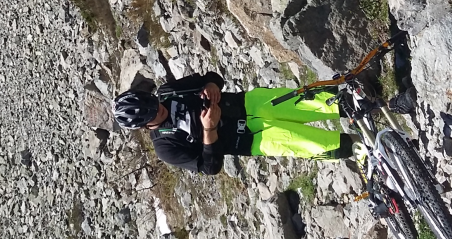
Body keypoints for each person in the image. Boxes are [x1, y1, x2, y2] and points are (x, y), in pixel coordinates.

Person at [113, 71, 368, 175]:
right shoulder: (165, 147)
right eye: (154, 114)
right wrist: (209, 129)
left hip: (251, 103)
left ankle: (368, 102)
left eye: (155, 103)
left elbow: (213, 77)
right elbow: (210, 167)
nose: (160, 108)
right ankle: (365, 149)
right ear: (145, 125)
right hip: (253, 139)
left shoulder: (168, 92)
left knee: (315, 102)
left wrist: (211, 85)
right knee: (314, 144)